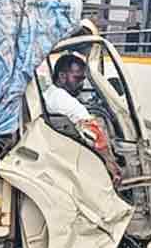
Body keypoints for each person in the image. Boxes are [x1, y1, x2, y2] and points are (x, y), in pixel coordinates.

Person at [43, 54, 123, 183]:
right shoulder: (67, 102)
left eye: (83, 79)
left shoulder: (50, 94)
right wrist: (111, 164)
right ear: (62, 76)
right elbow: (94, 134)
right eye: (77, 78)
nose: (81, 84)